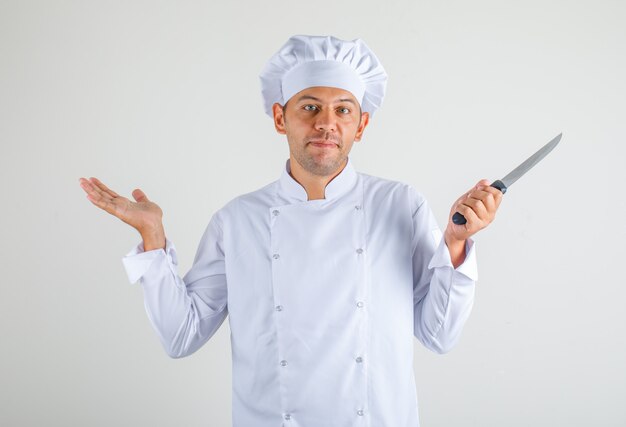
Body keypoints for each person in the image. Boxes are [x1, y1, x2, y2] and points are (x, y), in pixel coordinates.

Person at [79, 35, 502, 427]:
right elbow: (180, 335)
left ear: (362, 124)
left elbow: (439, 334)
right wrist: (153, 238)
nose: (326, 124)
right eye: (310, 107)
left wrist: (456, 243)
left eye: (343, 110)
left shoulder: (401, 205)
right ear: (281, 117)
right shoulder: (237, 220)